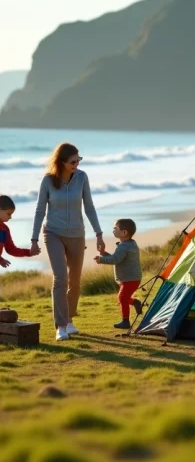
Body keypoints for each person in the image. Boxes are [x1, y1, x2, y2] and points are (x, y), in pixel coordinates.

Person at [30, 143, 105, 341]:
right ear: (61, 162)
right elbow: (39, 210)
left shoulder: (82, 177)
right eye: (73, 161)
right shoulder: (48, 181)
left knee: (75, 282)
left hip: (77, 234)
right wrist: (34, 239)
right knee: (60, 279)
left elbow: (89, 207)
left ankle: (70, 320)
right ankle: (61, 326)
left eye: (79, 160)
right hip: (53, 232)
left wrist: (98, 233)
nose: (76, 164)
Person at [94, 218, 142, 329]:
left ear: (124, 232)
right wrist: (103, 253)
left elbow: (115, 259)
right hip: (131, 278)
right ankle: (135, 302)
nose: (113, 230)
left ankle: (125, 322)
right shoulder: (130, 244)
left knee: (122, 298)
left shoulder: (124, 246)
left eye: (115, 228)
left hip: (130, 279)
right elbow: (117, 258)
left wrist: (102, 259)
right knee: (123, 298)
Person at [0, 195, 40, 267]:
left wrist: (29, 252)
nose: (10, 217)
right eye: (8, 214)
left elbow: (11, 249)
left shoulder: (5, 229)